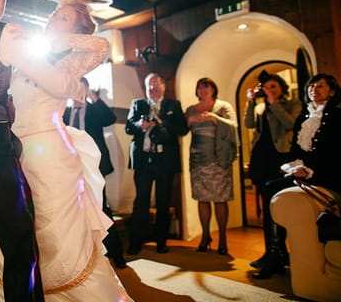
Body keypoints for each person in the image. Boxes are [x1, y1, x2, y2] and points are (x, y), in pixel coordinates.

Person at [0, 0, 133, 301]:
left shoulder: (71, 61)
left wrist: (56, 40)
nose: (53, 17)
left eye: (62, 17)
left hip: (49, 152)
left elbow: (101, 44)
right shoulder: (30, 55)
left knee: (55, 235)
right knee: (12, 230)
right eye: (54, 13)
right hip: (14, 150)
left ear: (76, 30)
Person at [252, 73, 341, 279]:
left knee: (274, 187)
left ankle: (275, 256)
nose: (314, 89)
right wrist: (293, 167)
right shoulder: (305, 115)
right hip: (299, 170)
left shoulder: (336, 116)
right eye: (311, 86)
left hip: (327, 175)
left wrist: (309, 171)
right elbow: (296, 151)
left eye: (320, 86)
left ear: (332, 91)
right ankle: (275, 253)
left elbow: (333, 153)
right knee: (270, 186)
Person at [63, 77, 127, 269]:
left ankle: (116, 254)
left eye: (80, 89)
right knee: (73, 210)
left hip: (94, 167)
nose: (77, 93)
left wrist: (92, 97)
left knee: (101, 208)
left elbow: (110, 118)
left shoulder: (94, 110)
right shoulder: (63, 112)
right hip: (70, 167)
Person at [243, 72, 301, 269]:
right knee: (267, 206)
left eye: (273, 86)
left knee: (280, 204)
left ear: (281, 88)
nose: (269, 90)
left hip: (280, 157)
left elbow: (290, 124)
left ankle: (281, 251)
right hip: (261, 158)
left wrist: (274, 102)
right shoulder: (260, 106)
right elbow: (249, 124)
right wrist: (250, 102)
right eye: (266, 87)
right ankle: (273, 251)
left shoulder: (292, 103)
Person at [126, 73, 187, 255]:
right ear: (145, 88)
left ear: (163, 86)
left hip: (165, 161)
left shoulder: (173, 105)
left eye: (156, 84)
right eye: (149, 85)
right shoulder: (138, 104)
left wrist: (163, 123)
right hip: (143, 160)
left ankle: (161, 241)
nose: (153, 88)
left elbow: (182, 129)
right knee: (141, 202)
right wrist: (140, 125)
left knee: (163, 201)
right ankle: (136, 241)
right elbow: (129, 126)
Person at [184, 77, 237, 255]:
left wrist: (216, 119)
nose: (203, 91)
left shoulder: (223, 107)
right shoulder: (191, 109)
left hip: (218, 160)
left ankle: (222, 237)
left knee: (220, 199)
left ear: (213, 89)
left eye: (206, 88)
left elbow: (233, 126)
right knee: (202, 198)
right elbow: (181, 129)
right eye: (199, 88)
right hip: (198, 159)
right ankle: (205, 235)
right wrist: (189, 119)